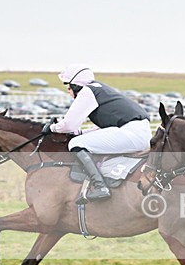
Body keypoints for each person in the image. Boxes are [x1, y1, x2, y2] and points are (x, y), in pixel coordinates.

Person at [49, 65, 152, 202]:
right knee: (82, 139)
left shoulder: (87, 91)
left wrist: (51, 128)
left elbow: (68, 125)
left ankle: (100, 186)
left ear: (76, 85)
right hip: (138, 132)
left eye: (68, 87)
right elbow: (105, 129)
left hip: (131, 133)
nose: (68, 91)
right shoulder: (100, 89)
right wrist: (81, 132)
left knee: (76, 143)